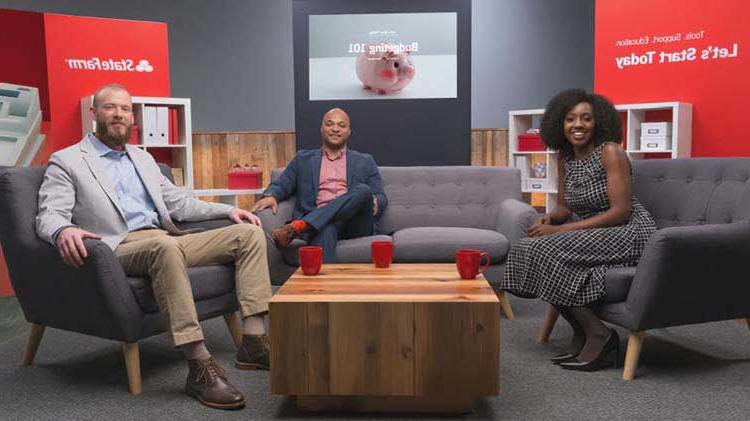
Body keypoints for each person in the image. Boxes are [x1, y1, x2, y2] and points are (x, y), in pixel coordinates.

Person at [35, 84, 272, 409]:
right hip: (118, 247)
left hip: (166, 239)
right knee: (166, 248)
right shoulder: (68, 161)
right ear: (94, 114)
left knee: (248, 234)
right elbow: (49, 214)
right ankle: (199, 364)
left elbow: (180, 205)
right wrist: (63, 229)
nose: (118, 114)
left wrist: (228, 210)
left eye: (125, 109)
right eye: (109, 108)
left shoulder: (143, 159)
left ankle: (254, 343)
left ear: (132, 116)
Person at [499, 89, 657, 371]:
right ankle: (582, 331)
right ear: (560, 123)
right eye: (570, 119)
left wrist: (561, 232)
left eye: (586, 118)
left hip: (628, 231)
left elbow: (620, 212)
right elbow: (563, 207)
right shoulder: (565, 157)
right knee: (526, 246)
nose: (578, 125)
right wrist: (550, 219)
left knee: (543, 250)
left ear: (599, 123)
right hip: (590, 231)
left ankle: (600, 334)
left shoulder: (610, 152)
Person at [252, 108, 387, 262]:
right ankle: (324, 285)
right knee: (325, 227)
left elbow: (381, 196)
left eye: (341, 125)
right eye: (330, 124)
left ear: (348, 132)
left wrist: (377, 201)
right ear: (322, 129)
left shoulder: (365, 161)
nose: (335, 129)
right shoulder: (303, 159)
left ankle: (300, 225)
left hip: (355, 224)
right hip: (320, 224)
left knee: (364, 190)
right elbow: (282, 184)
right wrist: (272, 195)